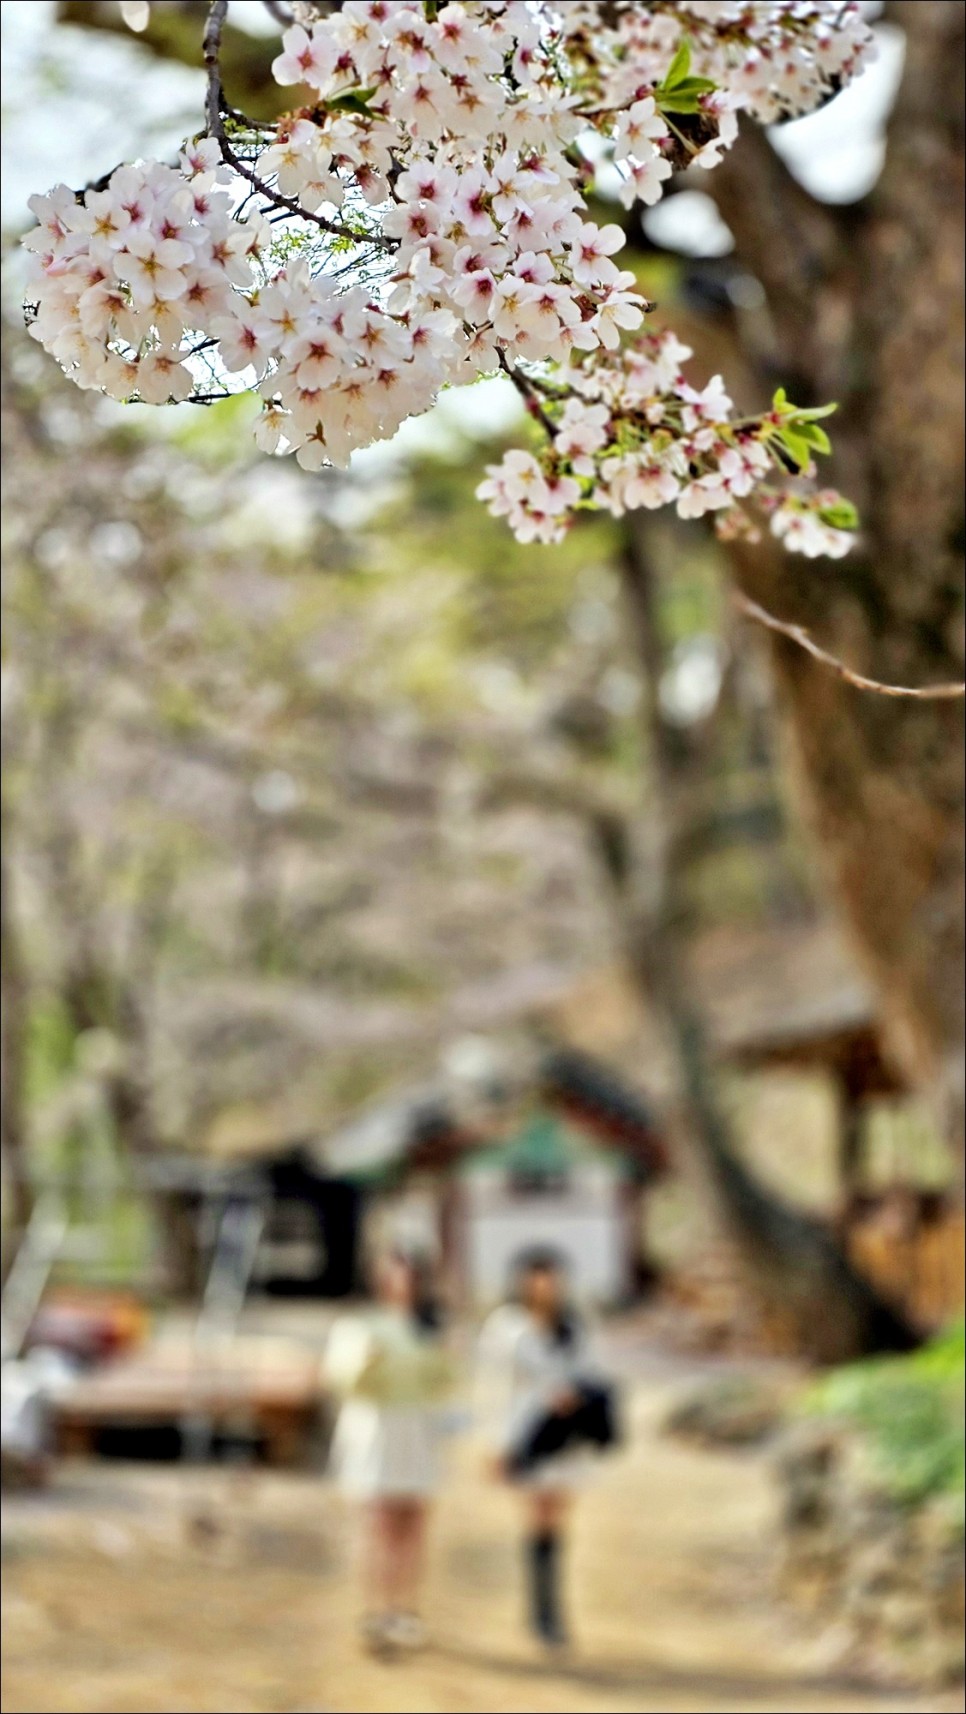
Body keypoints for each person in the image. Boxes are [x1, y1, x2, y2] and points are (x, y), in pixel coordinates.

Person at [476, 1247, 613, 1649]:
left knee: (556, 1514)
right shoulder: (507, 1327)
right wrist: (495, 1442)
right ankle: (542, 1610)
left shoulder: (575, 1326)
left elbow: (593, 1370)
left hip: (565, 1433)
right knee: (538, 1511)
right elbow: (492, 1387)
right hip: (527, 1431)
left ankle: (550, 1607)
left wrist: (576, 1397)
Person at [323, 1247, 453, 1657]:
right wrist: (367, 1362)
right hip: (374, 1435)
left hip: (416, 1433)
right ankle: (376, 1610)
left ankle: (405, 1609)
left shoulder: (429, 1329)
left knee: (411, 1525)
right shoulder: (357, 1327)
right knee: (377, 1524)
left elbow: (446, 1383)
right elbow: (339, 1378)